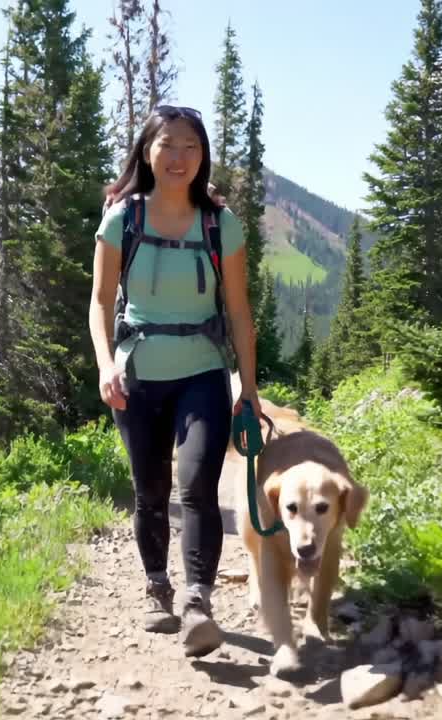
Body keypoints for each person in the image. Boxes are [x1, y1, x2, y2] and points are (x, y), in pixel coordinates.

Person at [88, 105, 261, 658]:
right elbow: (97, 303)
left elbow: (238, 311)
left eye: (191, 146)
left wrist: (250, 391)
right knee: (151, 492)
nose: (180, 157)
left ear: (203, 154)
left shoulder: (219, 223)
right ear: (146, 152)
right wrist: (105, 363)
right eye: (168, 145)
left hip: (204, 373)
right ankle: (157, 587)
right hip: (137, 375)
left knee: (197, 487)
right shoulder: (123, 219)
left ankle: (197, 603)